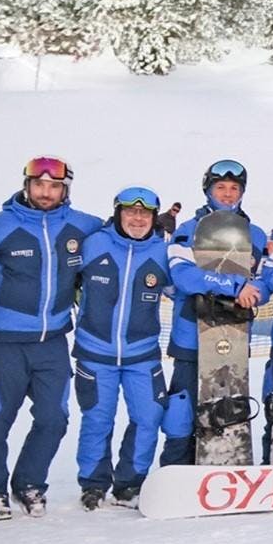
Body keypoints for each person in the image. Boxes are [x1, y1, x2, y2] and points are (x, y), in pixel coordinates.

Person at [0, 155, 103, 519]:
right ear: (27, 184)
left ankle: (29, 483)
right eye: (39, 185)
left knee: (54, 418)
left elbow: (122, 235)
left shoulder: (83, 226)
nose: (46, 192)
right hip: (3, 340)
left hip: (53, 341)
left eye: (54, 186)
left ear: (65, 189)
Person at [161, 160, 273, 468]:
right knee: (182, 409)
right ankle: (175, 469)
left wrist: (255, 292)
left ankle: (227, 464)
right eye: (221, 188)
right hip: (193, 335)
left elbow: (267, 278)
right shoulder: (188, 230)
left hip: (235, 335)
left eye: (234, 188)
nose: (228, 194)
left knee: (228, 405)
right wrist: (235, 285)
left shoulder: (254, 234)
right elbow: (184, 277)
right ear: (208, 190)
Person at [70, 187, 167, 510]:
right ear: (117, 214)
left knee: (149, 416)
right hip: (95, 350)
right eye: (130, 212)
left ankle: (130, 483)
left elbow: (180, 288)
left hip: (142, 352)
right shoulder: (94, 243)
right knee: (98, 418)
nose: (138, 219)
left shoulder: (162, 251)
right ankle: (94, 483)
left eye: (145, 214)